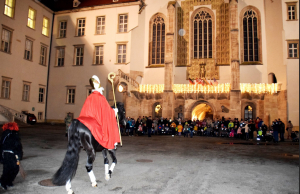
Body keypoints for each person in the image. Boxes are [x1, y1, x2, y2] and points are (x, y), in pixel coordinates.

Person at [77, 75, 120, 150]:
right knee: (107, 125)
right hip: (97, 119)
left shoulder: (90, 97)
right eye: (95, 83)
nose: (95, 84)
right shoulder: (100, 97)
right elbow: (107, 111)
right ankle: (108, 142)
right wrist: (114, 111)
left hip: (89, 117)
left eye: (96, 83)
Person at [0, 122, 23, 190]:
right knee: (8, 169)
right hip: (7, 154)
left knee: (15, 169)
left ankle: (9, 181)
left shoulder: (14, 134)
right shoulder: (7, 134)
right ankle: (3, 182)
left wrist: (19, 155)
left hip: (13, 154)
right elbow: (3, 145)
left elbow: (18, 146)